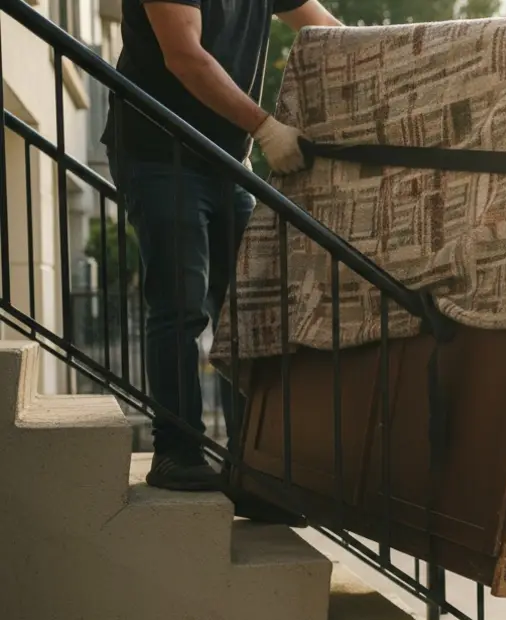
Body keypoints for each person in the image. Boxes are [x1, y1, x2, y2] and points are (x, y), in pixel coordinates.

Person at [102, 0, 341, 491]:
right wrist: (265, 126)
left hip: (228, 161)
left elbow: (325, 28)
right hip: (160, 150)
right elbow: (185, 56)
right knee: (181, 307)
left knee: (249, 311)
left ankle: (251, 466)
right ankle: (175, 449)